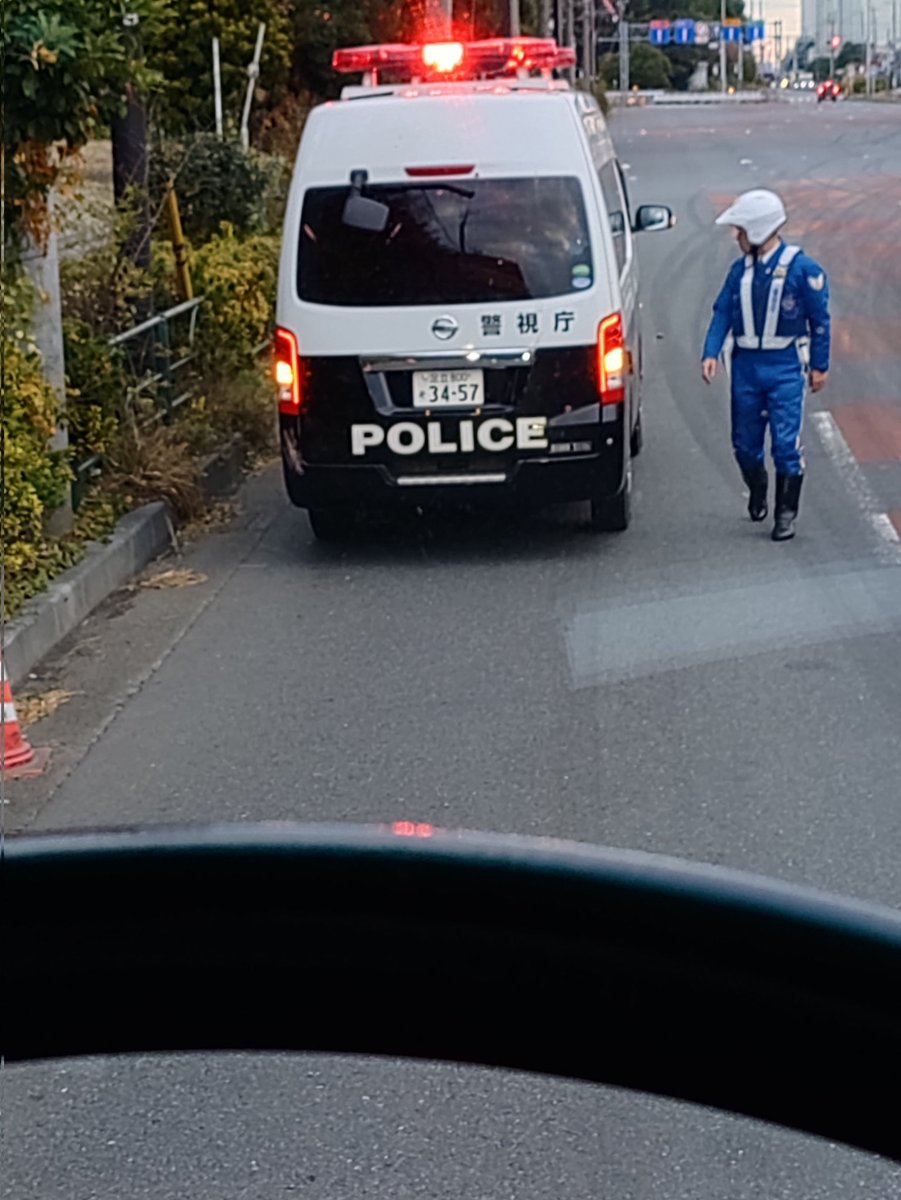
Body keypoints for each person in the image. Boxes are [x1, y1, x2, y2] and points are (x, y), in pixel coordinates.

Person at [701, 189, 831, 541]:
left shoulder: (803, 270)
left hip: (784, 367)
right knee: (744, 443)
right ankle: (757, 486)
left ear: (758, 231)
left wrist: (820, 365)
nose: (737, 238)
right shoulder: (738, 273)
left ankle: (785, 514)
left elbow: (820, 320)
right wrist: (710, 352)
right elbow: (722, 313)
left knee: (785, 444)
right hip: (745, 367)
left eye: (741, 231)